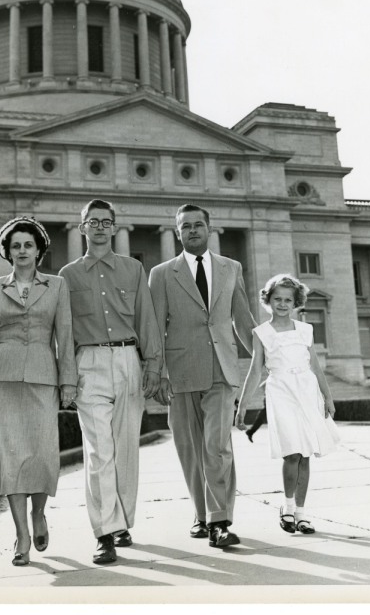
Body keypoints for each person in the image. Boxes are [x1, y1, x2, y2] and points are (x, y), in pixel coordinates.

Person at [0, 216, 78, 567]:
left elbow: (65, 337)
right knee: (10, 459)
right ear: (8, 251)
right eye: (15, 245)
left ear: (39, 249)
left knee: (42, 455)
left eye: (28, 244)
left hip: (43, 378)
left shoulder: (57, 286)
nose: (22, 250)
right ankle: (22, 535)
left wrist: (69, 381)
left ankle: (39, 513)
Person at [59, 199, 162, 565]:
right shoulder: (68, 275)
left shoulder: (133, 269)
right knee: (99, 450)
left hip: (128, 359)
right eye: (93, 221)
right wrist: (66, 378)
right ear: (82, 227)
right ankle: (104, 532)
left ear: (115, 228)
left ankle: (122, 522)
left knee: (125, 449)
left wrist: (153, 365)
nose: (100, 227)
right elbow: (64, 331)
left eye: (106, 222)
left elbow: (146, 318)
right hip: (89, 363)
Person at [148, 204, 257, 548]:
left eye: (198, 225)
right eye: (186, 226)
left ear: (209, 228)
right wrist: (158, 372)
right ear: (177, 232)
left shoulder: (231, 267)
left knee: (217, 445)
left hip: (222, 369)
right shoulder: (162, 274)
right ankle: (201, 513)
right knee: (190, 448)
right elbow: (155, 328)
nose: (192, 230)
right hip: (180, 372)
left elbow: (243, 319)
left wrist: (267, 355)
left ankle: (219, 520)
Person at [235, 273, 340, 535]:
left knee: (305, 454)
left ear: (296, 302)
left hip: (307, 391)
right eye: (277, 299)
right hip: (281, 392)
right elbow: (255, 371)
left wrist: (327, 397)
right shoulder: (261, 333)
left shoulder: (305, 330)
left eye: (288, 300)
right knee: (292, 452)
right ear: (268, 300)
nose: (282, 304)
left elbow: (315, 366)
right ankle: (288, 507)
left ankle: (301, 514)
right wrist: (242, 405)